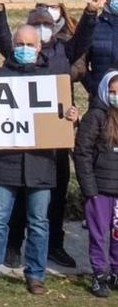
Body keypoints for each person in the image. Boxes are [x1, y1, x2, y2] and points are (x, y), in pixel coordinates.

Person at [0, 0, 100, 270]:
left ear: (55, 27)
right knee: (18, 190)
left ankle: (55, 245)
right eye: (37, 21)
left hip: (56, 134)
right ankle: (14, 246)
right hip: (21, 132)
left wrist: (90, 12)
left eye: (47, 22)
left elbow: (84, 39)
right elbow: (2, 37)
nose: (42, 28)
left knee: (57, 193)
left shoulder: (64, 51)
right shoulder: (18, 52)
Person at [0, 25, 79, 295]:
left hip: (41, 163)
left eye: (30, 45)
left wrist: (70, 117)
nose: (24, 49)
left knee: (39, 222)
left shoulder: (53, 81)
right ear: (12, 45)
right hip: (4, 162)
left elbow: (61, 118)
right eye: (20, 43)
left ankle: (35, 274)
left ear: (39, 47)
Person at [76, 70, 118, 297]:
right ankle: (100, 274)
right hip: (99, 190)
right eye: (112, 92)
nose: (115, 96)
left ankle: (116, 271)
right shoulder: (95, 117)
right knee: (99, 234)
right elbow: (82, 152)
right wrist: (89, 188)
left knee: (117, 234)